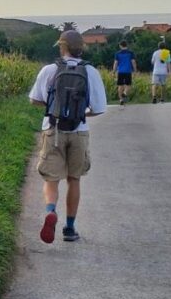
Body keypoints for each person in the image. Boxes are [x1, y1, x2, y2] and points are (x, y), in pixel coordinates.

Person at [29, 30, 108, 243]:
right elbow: (100, 108)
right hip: (79, 130)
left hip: (53, 130)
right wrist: (81, 113)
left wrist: (53, 107)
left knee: (51, 178)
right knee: (74, 179)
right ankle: (70, 228)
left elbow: (34, 99)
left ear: (61, 47)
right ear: (82, 47)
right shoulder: (90, 71)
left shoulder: (50, 70)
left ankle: (50, 211)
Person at [112, 40, 136, 104]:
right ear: (126, 45)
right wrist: (135, 70)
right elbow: (133, 62)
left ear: (120, 46)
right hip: (128, 71)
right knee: (128, 85)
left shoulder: (118, 53)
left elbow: (115, 63)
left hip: (120, 71)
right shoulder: (130, 53)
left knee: (120, 86)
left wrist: (113, 71)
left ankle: (121, 100)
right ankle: (125, 93)